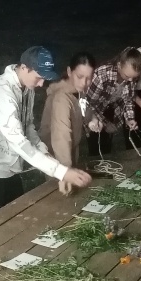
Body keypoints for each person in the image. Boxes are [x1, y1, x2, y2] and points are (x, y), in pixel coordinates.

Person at [0, 46, 92, 220]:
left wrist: (48, 156)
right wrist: (61, 172)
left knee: (15, 218)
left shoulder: (27, 87)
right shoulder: (3, 94)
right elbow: (19, 142)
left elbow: (27, 127)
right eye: (39, 77)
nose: (41, 84)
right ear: (24, 68)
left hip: (10, 168)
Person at [39, 52, 96, 192]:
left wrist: (92, 118)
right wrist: (65, 170)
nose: (84, 83)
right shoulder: (61, 99)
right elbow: (61, 135)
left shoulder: (78, 90)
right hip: (56, 159)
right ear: (69, 71)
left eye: (89, 78)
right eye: (80, 77)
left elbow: (83, 109)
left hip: (71, 152)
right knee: (58, 195)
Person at [86, 47, 141, 157]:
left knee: (107, 144)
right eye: (127, 76)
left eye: (134, 78)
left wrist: (129, 118)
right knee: (96, 145)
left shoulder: (131, 77)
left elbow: (129, 99)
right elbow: (89, 104)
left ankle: (106, 158)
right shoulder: (101, 76)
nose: (130, 80)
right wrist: (104, 123)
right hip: (94, 111)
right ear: (119, 65)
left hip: (112, 109)